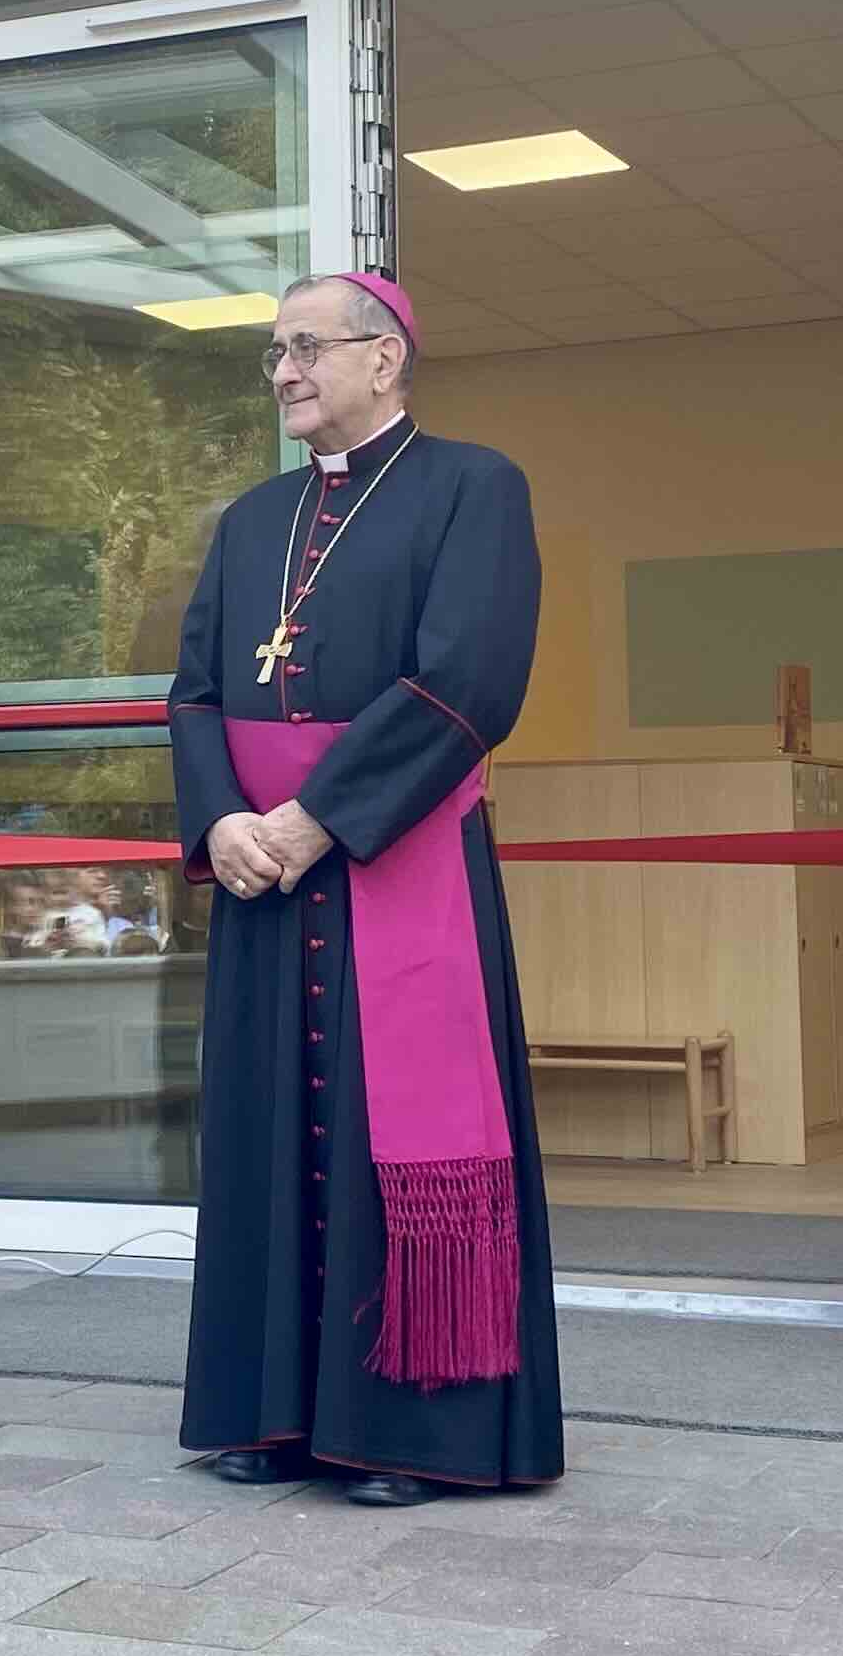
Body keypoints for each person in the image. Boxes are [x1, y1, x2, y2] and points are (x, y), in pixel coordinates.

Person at [171, 270, 561, 1506]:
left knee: (402, 1132)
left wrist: (315, 818)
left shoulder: (474, 488)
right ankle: (269, 1412)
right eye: (272, 353)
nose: (283, 371)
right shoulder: (250, 520)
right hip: (264, 875)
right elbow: (190, 692)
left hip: (396, 858)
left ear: (384, 359)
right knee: (266, 1132)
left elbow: (469, 681)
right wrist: (225, 820)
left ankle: (413, 1432)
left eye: (304, 348)